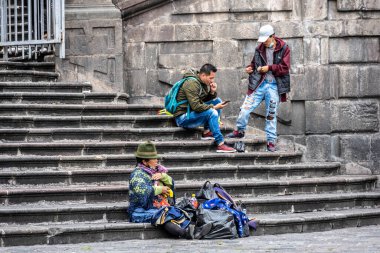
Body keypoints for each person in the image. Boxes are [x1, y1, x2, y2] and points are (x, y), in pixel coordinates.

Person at [226, 25, 291, 152]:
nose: (263, 42)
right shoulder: (259, 48)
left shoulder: (284, 48)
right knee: (245, 109)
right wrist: (249, 68)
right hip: (259, 84)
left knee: (271, 114)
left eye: (266, 39)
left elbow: (285, 68)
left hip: (274, 86)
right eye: (262, 40)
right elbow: (254, 64)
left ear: (272, 36)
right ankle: (239, 130)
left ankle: (271, 141)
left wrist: (270, 68)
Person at [128, 141, 194, 239]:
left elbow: (170, 182)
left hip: (157, 207)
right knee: (165, 215)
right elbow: (142, 191)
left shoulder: (157, 170)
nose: (156, 160)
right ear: (144, 161)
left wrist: (164, 176)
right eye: (153, 158)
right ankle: (186, 233)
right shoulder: (137, 174)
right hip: (140, 210)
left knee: (175, 211)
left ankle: (195, 230)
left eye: (156, 158)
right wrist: (160, 189)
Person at [173, 64, 236, 153]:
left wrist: (212, 92)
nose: (212, 81)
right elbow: (197, 106)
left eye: (213, 78)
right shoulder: (191, 83)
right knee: (212, 112)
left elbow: (202, 100)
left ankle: (206, 132)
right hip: (183, 118)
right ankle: (220, 144)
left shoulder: (201, 82)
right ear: (203, 75)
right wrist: (213, 107)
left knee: (217, 101)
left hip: (191, 112)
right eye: (211, 78)